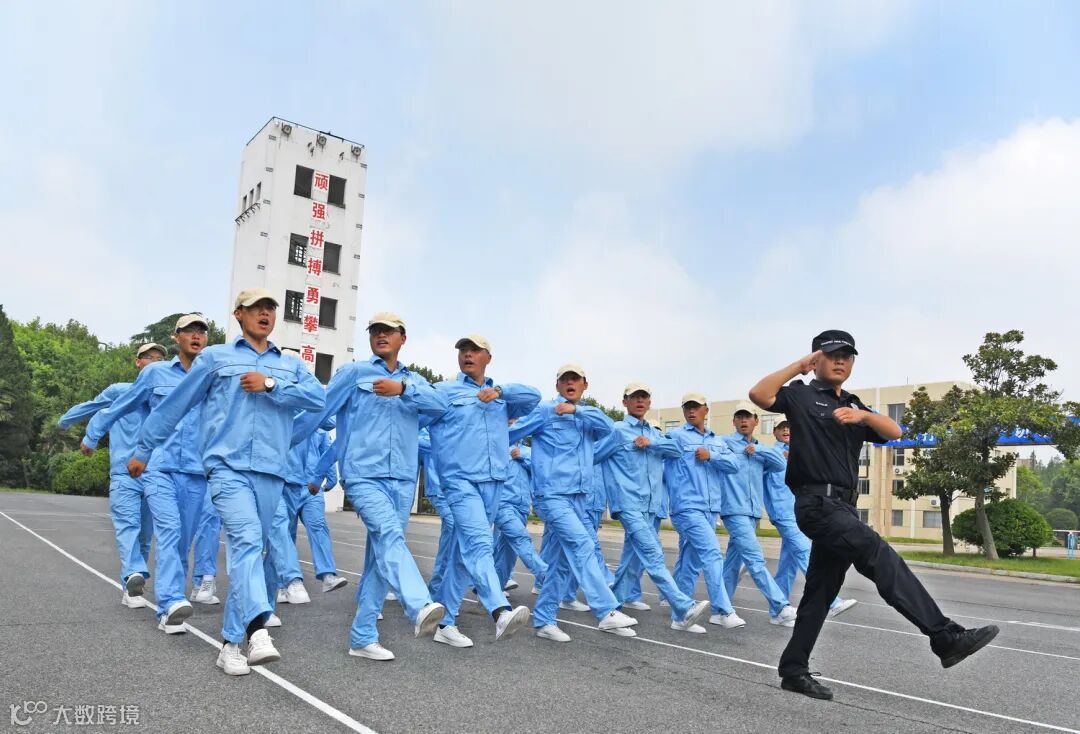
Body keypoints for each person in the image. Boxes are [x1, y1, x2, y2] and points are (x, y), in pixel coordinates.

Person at [749, 329, 1000, 700]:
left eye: (847, 356)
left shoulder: (853, 404)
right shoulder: (801, 395)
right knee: (879, 555)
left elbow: (894, 431)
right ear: (816, 359)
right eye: (832, 354)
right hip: (818, 503)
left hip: (844, 507)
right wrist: (800, 366)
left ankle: (793, 670)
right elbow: (759, 394)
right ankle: (945, 637)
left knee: (819, 594)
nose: (840, 361)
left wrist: (862, 416)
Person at [130, 289, 326, 676]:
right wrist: (144, 448)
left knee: (252, 552)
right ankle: (258, 629)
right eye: (256, 308)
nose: (265, 314)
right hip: (227, 467)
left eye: (270, 308)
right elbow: (175, 405)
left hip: (271, 471)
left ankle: (231, 643)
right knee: (247, 541)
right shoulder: (216, 358)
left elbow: (317, 400)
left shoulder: (290, 365)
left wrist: (272, 385)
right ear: (239, 314)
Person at [291, 311, 446, 662]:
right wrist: (280, 442)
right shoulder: (354, 373)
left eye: (388, 331)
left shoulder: (415, 381)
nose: (381, 335)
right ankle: (419, 604)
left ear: (402, 338)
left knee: (380, 554)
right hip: (363, 475)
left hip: (402, 477)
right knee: (389, 535)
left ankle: (362, 636)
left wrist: (403, 390)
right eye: (375, 330)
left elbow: (440, 406)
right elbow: (318, 412)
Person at [85, 314, 213, 634]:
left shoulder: (213, 375)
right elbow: (124, 405)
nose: (196, 335)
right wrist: (93, 434)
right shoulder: (156, 373)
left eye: (201, 331)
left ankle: (168, 600)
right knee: (169, 530)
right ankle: (170, 602)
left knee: (182, 541)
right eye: (189, 330)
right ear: (176, 337)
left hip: (196, 471)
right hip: (158, 467)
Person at [509, 364, 639, 643]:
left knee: (562, 563)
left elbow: (611, 429)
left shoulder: (588, 416)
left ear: (584, 385)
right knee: (583, 545)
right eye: (565, 380)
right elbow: (510, 434)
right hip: (552, 495)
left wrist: (577, 411)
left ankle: (544, 620)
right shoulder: (545, 411)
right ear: (557, 385)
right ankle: (606, 609)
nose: (570, 383)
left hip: (580, 497)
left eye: (575, 379)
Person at [427, 335, 538, 647]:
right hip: (460, 481)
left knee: (463, 558)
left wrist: (500, 391)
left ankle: (444, 623)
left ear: (488, 357)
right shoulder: (445, 391)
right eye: (463, 350)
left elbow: (533, 396)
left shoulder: (502, 397)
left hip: (493, 482)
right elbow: (418, 417)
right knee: (479, 544)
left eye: (475, 350)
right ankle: (499, 610)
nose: (468, 354)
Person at [594, 383, 709, 633]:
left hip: (651, 506)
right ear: (624, 402)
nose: (639, 401)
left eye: (643, 397)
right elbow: (593, 456)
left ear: (649, 402)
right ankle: (683, 608)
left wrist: (651, 443)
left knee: (633, 560)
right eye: (634, 397)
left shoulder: (654, 434)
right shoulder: (617, 431)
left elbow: (676, 450)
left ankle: (611, 610)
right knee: (652, 552)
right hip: (627, 503)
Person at [59, 342, 166, 609]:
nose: (154, 362)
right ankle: (133, 573)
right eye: (149, 357)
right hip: (123, 472)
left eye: (160, 359)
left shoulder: (166, 396)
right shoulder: (120, 391)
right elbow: (94, 407)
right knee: (128, 526)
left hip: (156, 474)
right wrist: (66, 421)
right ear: (138, 363)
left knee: (145, 535)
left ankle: (132, 586)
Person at [664, 392, 745, 629]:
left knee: (690, 562)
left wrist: (712, 456)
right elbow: (660, 450)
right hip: (687, 507)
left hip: (710, 509)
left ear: (705, 410)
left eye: (696, 407)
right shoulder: (676, 436)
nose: (691, 411)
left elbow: (734, 465)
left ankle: (680, 617)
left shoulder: (717, 441)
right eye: (687, 407)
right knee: (712, 553)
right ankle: (723, 610)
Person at [718, 402, 798, 627]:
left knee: (732, 564)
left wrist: (758, 450)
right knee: (755, 559)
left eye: (748, 417)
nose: (743, 420)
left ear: (756, 421)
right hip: (733, 510)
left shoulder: (761, 449)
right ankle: (780, 606)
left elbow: (780, 464)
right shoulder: (724, 443)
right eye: (739, 417)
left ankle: (719, 608)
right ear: (734, 421)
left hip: (753, 512)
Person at [767, 418, 856, 617]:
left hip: (797, 511)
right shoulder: (771, 454)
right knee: (803, 551)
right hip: (782, 512)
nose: (786, 431)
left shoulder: (799, 453)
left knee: (788, 564)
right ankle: (831, 601)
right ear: (774, 432)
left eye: (789, 427)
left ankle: (777, 612)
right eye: (781, 428)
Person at [493, 433, 549, 592]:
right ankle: (545, 575)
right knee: (521, 537)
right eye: (509, 421)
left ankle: (492, 593)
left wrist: (522, 457)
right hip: (503, 504)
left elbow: (542, 472)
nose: (513, 424)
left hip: (522, 507)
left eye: (516, 421)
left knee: (507, 554)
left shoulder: (529, 451)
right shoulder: (496, 447)